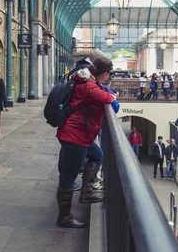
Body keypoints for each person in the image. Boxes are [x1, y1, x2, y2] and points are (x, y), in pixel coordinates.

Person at [55, 56, 116, 228]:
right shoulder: (89, 84)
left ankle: (87, 191)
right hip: (75, 136)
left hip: (79, 134)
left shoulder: (88, 79)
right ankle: (64, 217)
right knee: (68, 177)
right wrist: (112, 96)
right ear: (104, 73)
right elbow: (103, 97)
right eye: (110, 73)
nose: (110, 76)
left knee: (98, 155)